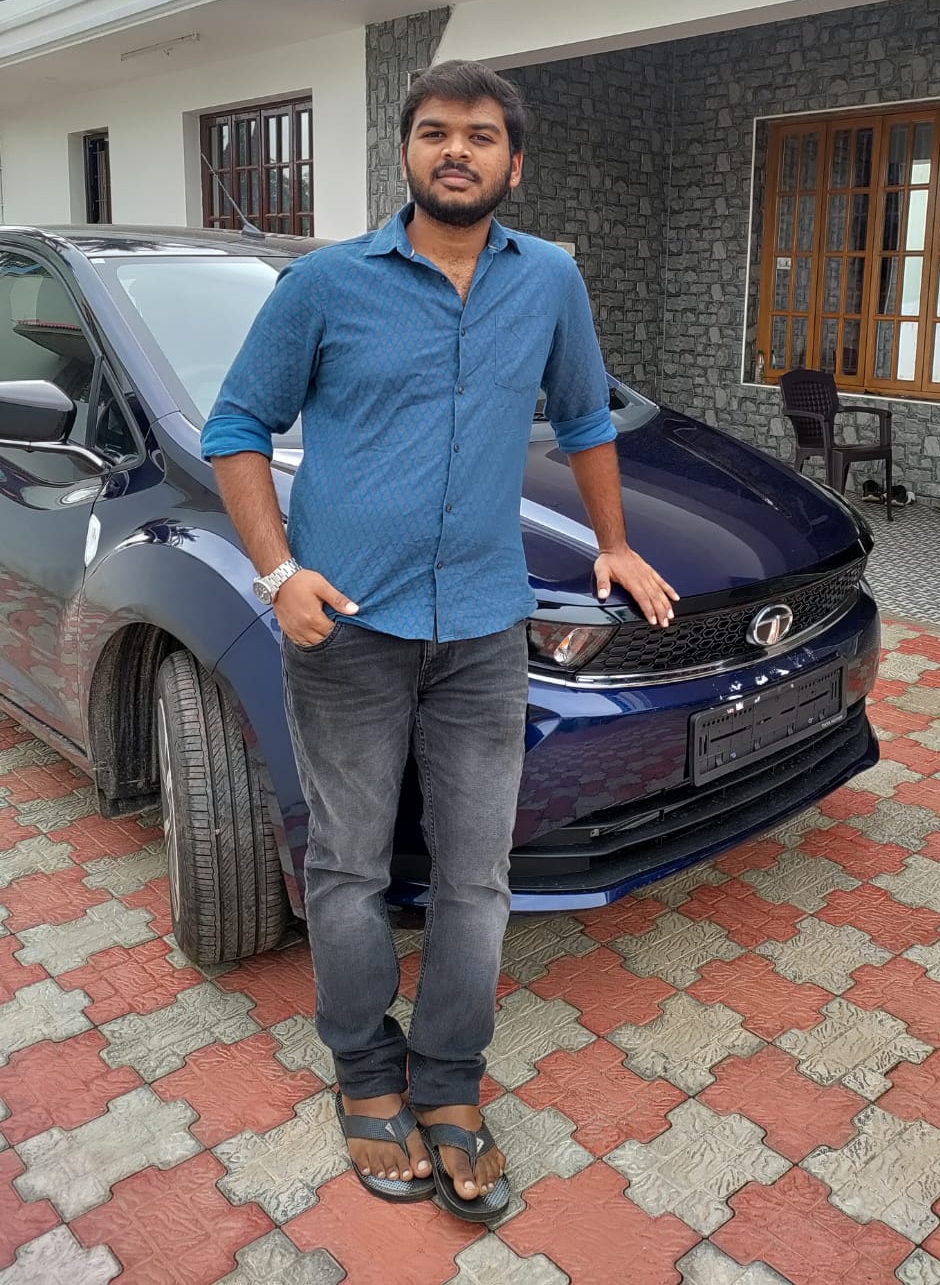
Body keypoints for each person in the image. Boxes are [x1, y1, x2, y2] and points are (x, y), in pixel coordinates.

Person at [201, 60, 678, 1224]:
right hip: (346, 628)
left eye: (478, 134)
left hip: (481, 628)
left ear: (514, 164)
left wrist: (614, 543)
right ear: (407, 153)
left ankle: (449, 1080)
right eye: (433, 132)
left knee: (475, 877)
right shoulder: (327, 283)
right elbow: (236, 424)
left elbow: (584, 417)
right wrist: (278, 572)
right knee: (349, 865)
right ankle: (365, 1072)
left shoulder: (549, 277)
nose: (455, 149)